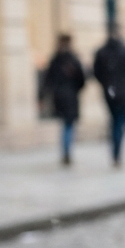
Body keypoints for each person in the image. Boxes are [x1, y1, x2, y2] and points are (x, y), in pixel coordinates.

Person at [92, 27, 125, 167]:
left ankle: (115, 154)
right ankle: (117, 155)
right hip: (123, 93)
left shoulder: (102, 52)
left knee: (114, 121)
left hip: (109, 93)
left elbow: (96, 72)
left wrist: (105, 84)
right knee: (119, 122)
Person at [39, 35, 86, 167]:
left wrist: (42, 96)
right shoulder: (73, 59)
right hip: (70, 96)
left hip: (59, 97)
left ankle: (65, 151)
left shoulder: (56, 60)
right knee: (68, 125)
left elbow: (47, 80)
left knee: (65, 125)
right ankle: (66, 151)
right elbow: (81, 80)